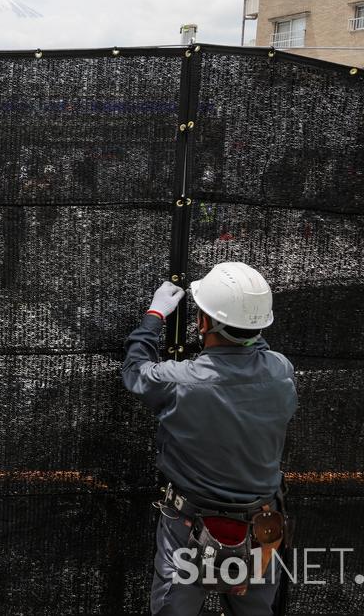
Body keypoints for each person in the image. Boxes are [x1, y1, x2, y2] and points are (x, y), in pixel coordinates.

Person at [122, 263, 297, 616]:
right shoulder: (281, 371)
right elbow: (251, 345)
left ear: (203, 323)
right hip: (262, 524)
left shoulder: (180, 382)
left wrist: (154, 317)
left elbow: (135, 370)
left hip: (188, 524)